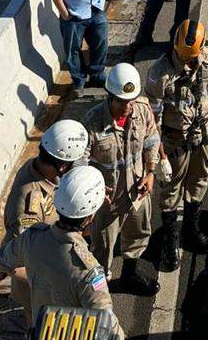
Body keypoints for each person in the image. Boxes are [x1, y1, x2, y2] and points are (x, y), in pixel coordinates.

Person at [0, 164, 125, 339]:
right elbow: (108, 327)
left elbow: (3, 262)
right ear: (90, 217)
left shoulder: (32, 237)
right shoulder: (88, 271)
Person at [145, 19, 208, 271]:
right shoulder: (159, 73)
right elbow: (153, 119)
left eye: (191, 55)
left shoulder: (207, 60)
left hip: (201, 134)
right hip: (173, 139)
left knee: (199, 181)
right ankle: (170, 242)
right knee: (171, 190)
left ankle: (191, 231)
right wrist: (159, 156)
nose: (186, 60)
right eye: (182, 55)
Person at [82, 63, 161, 296]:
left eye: (132, 100)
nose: (128, 107)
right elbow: (79, 166)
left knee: (138, 234)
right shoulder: (91, 123)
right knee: (102, 248)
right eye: (122, 102)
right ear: (110, 97)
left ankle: (129, 275)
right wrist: (90, 197)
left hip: (137, 192)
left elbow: (151, 139)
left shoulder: (142, 109)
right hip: (107, 202)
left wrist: (150, 173)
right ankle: (98, 294)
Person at [2, 119, 89, 322]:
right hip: (37, 291)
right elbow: (23, 262)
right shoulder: (29, 207)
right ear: (61, 166)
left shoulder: (38, 168)